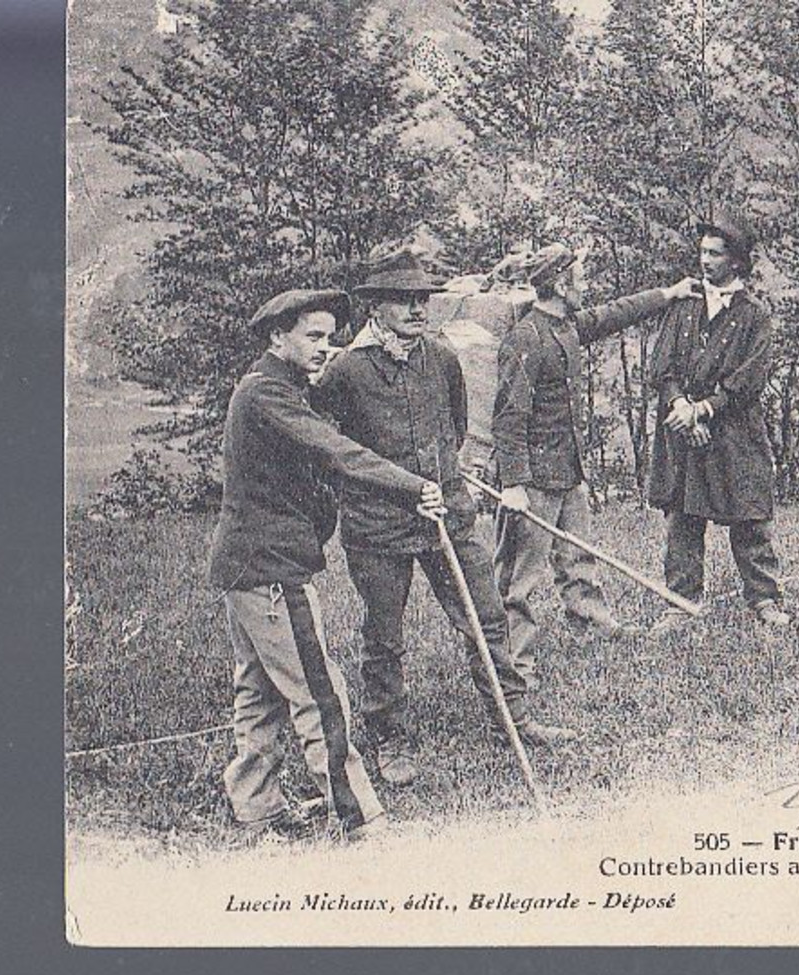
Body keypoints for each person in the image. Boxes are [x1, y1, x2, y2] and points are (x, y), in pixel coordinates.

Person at [313, 252, 574, 787]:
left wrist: (445, 487)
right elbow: (329, 449)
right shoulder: (345, 371)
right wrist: (386, 490)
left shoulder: (442, 358)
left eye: (422, 300)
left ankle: (513, 721)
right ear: (375, 307)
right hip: (377, 527)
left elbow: (454, 429)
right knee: (384, 637)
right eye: (403, 301)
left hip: (448, 517)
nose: (416, 310)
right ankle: (390, 739)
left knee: (486, 616)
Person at [207, 288, 447, 840]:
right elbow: (335, 450)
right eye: (312, 336)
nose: (325, 348)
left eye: (330, 336)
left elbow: (330, 458)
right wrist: (413, 485)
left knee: (261, 692)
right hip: (270, 568)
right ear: (277, 337)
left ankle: (257, 807)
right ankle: (362, 818)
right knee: (319, 692)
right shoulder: (268, 392)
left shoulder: (283, 388)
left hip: (250, 565)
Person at [491, 244, 701, 684]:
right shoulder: (526, 339)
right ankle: (514, 664)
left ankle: (594, 627)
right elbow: (508, 418)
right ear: (562, 285)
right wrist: (513, 484)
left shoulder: (565, 327)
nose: (586, 287)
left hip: (568, 473)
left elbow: (614, 314)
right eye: (581, 279)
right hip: (532, 482)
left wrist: (669, 293)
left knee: (577, 559)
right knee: (519, 580)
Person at [647, 213, 788, 632]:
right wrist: (681, 409)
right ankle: (680, 602)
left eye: (715, 253)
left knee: (749, 519)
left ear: (737, 261)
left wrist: (705, 409)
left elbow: (749, 379)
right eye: (702, 252)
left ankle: (764, 599)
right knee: (683, 520)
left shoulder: (754, 314)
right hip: (682, 428)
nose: (705, 261)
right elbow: (663, 366)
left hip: (735, 432)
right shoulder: (685, 305)